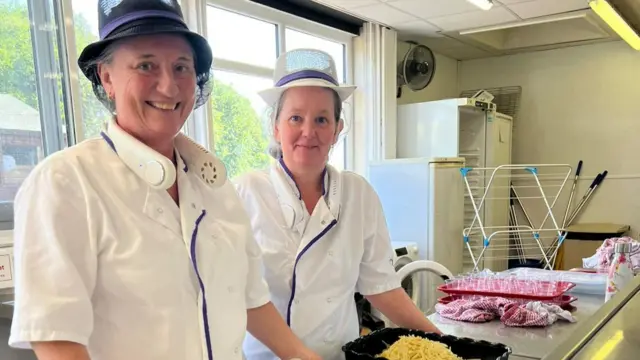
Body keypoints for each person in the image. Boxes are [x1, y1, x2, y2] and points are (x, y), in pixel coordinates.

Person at [8, 1, 320, 360]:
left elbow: (250, 299)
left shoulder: (214, 183)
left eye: (181, 67)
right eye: (146, 65)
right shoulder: (65, 182)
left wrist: (302, 355)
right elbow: (56, 339)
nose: (169, 86)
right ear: (106, 77)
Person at [235, 48, 442, 360]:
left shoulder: (358, 194)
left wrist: (442, 342)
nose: (309, 132)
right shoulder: (244, 193)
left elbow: (381, 286)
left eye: (322, 119)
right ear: (276, 127)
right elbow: (235, 294)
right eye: (295, 118)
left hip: (340, 355)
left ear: (337, 130)